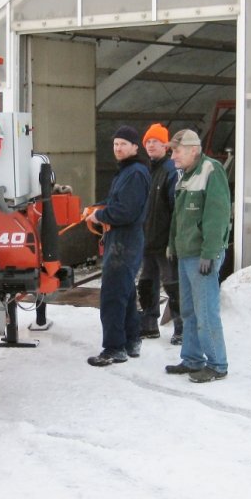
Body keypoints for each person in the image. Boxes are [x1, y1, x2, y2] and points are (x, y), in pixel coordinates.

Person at [165, 129, 231, 383]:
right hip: (186, 254)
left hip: (202, 256)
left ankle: (217, 364)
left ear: (193, 149)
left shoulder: (211, 171)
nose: (172, 156)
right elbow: (179, 217)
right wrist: (172, 245)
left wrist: (210, 252)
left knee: (206, 312)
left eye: (176, 151)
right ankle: (192, 358)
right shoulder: (186, 175)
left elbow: (217, 215)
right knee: (190, 311)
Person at [85, 125, 151, 367]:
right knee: (126, 290)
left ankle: (114, 348)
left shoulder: (134, 173)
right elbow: (115, 202)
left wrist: (100, 216)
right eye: (115, 144)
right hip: (122, 238)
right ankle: (132, 340)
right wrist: (96, 207)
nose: (118, 148)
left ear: (135, 147)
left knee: (113, 294)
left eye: (123, 143)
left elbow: (125, 211)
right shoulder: (127, 171)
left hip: (125, 239)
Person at [137, 123, 183, 345]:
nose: (151, 145)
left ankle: (181, 328)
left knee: (172, 284)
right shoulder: (147, 172)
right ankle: (149, 325)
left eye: (155, 141)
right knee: (146, 283)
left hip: (164, 242)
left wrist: (173, 241)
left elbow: (177, 209)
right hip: (147, 240)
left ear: (166, 144)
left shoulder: (170, 172)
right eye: (147, 141)